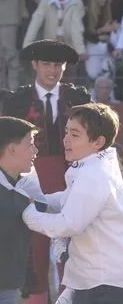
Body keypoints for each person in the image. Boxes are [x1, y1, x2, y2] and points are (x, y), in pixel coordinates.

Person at [22, 104, 123, 303]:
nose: (65, 140)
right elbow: (67, 199)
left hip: (111, 284)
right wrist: (40, 201)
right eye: (66, 132)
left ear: (98, 142)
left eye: (75, 134)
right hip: (103, 280)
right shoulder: (92, 166)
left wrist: (28, 214)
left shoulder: (94, 174)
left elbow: (68, 224)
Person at [0, 40, 90, 301]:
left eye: (58, 64)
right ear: (35, 64)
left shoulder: (79, 99)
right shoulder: (15, 101)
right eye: (46, 64)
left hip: (72, 179)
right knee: (31, 251)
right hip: (27, 181)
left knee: (74, 250)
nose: (52, 70)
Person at [0, 117, 45, 304]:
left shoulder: (22, 186)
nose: (35, 151)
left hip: (8, 286)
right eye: (30, 144)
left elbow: (43, 207)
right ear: (12, 149)